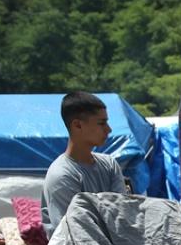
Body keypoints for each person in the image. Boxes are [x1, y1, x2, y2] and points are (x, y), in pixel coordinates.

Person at [42, 92, 128, 236]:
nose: (109, 129)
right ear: (77, 125)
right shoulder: (62, 175)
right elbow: (75, 234)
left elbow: (122, 215)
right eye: (102, 123)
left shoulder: (109, 165)